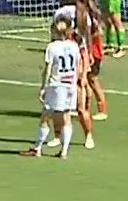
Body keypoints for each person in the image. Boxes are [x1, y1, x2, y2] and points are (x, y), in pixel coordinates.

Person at [24, 17, 85, 159]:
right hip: (70, 85)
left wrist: (43, 87)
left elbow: (48, 68)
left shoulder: (52, 47)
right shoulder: (74, 46)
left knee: (46, 115)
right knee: (66, 117)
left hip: (57, 85)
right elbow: (78, 66)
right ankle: (64, 151)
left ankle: (37, 148)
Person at [81, 0, 111, 124]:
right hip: (96, 50)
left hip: (92, 50)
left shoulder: (88, 16)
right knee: (89, 79)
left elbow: (95, 33)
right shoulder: (95, 14)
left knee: (91, 79)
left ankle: (101, 109)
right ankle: (86, 107)